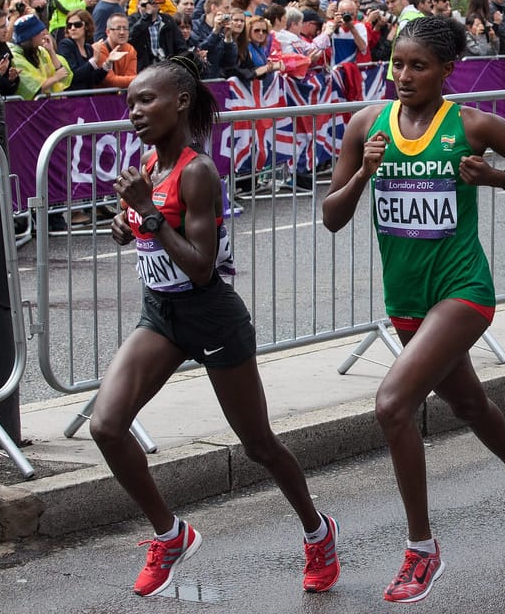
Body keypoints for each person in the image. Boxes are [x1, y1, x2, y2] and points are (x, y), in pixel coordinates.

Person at [322, 17, 505, 604]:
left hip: (463, 290)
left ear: (446, 70)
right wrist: (361, 173)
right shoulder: (365, 126)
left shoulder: (473, 124)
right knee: (468, 403)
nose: (403, 76)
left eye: (418, 66)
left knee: (392, 404)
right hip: (406, 299)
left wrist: (496, 179)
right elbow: (331, 216)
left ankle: (421, 551)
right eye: (396, 65)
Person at [92, 55, 341, 597]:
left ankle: (318, 532)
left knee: (258, 445)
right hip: (161, 313)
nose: (134, 112)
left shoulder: (196, 170)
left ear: (180, 102)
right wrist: (126, 222)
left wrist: (147, 216)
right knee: (106, 426)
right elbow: (147, 227)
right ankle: (170, 534)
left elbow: (202, 265)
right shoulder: (146, 164)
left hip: (211, 315)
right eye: (130, 102)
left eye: (146, 100)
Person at [9, 14, 71, 99]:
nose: (44, 33)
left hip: (49, 105)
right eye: (38, 31)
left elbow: (65, 75)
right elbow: (31, 89)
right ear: (29, 37)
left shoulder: (41, 51)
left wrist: (51, 51)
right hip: (30, 109)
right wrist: (55, 78)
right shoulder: (15, 58)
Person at [57, 9, 107, 92]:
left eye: (77, 25)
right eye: (69, 25)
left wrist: (107, 65)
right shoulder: (65, 45)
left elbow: (94, 80)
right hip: (72, 99)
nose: (72, 28)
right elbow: (73, 76)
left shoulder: (88, 48)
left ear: (87, 26)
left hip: (87, 98)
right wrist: (93, 60)